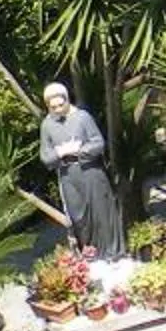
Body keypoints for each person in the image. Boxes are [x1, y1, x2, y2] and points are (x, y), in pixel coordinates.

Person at [37, 81, 123, 260]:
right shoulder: (47, 125)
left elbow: (98, 143)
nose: (59, 110)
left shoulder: (82, 117)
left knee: (101, 212)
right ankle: (91, 255)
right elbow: (45, 157)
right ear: (48, 107)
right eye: (54, 107)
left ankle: (112, 254)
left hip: (90, 172)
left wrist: (80, 150)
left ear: (67, 100)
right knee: (79, 218)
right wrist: (61, 151)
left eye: (61, 105)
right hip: (69, 176)